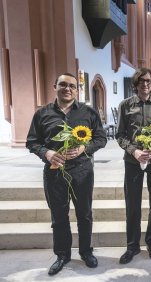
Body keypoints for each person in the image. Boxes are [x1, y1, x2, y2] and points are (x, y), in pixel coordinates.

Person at [26, 73, 107, 276]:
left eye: (72, 85)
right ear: (55, 86)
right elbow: (32, 141)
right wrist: (47, 153)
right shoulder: (42, 114)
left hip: (82, 171)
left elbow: (101, 138)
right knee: (59, 216)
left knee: (84, 214)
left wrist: (83, 149)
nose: (67, 88)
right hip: (54, 172)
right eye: (63, 84)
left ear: (77, 89)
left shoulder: (88, 112)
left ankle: (86, 252)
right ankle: (62, 255)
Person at [116, 68, 151, 264]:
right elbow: (120, 135)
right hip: (133, 162)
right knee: (132, 204)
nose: (145, 84)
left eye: (148, 81)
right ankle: (132, 246)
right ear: (136, 84)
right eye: (141, 81)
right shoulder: (125, 105)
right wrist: (135, 151)